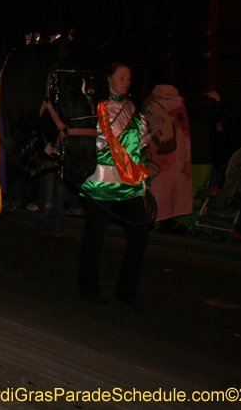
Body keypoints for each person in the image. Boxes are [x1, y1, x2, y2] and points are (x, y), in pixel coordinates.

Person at [78, 62, 151, 309]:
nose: (126, 82)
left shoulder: (132, 109)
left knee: (140, 235)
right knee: (95, 237)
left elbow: (141, 148)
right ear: (108, 78)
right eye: (122, 77)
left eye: (129, 78)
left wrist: (145, 182)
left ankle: (127, 291)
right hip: (100, 183)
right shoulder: (94, 107)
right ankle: (88, 288)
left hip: (129, 184)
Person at [142, 84, 192, 229]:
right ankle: (167, 220)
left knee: (156, 190)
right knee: (171, 192)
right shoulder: (179, 104)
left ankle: (154, 218)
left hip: (156, 158)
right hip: (178, 159)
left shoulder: (150, 104)